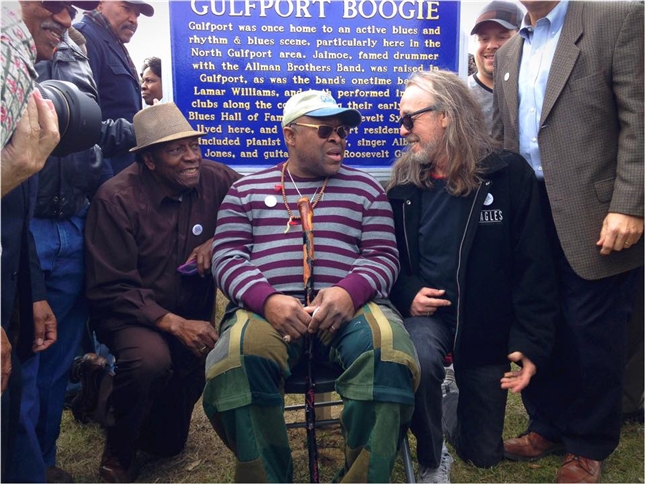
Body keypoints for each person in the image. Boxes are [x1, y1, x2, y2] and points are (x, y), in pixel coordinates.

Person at [203, 90, 420, 483]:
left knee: (389, 353)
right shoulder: (245, 191)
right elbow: (227, 257)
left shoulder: (367, 190)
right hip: (264, 313)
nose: (337, 138)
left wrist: (349, 292)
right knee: (235, 359)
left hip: (354, 310)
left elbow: (384, 256)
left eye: (342, 131)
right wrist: (267, 300)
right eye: (324, 130)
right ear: (290, 135)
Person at [492, 2, 644, 482]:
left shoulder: (618, 18)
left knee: (591, 329)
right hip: (527, 207)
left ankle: (588, 444)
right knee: (539, 316)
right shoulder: (511, 49)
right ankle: (547, 426)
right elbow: (503, 137)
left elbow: (639, 121)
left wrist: (631, 204)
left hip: (597, 210)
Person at [386, 70, 558, 482]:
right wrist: (407, 291)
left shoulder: (507, 175)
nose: (403, 129)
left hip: (486, 326)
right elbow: (386, 257)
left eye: (411, 119)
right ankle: (431, 455)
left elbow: (535, 265)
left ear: (445, 115)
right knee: (422, 360)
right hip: (428, 318)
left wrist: (530, 342)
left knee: (484, 455)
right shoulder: (403, 186)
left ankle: (451, 409)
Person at [81, 102, 240, 482]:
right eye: (176, 150)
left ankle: (102, 389)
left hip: (191, 312)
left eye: (194, 146)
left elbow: (262, 208)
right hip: (132, 314)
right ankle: (117, 452)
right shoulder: (115, 199)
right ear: (149, 160)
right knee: (150, 362)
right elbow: (111, 286)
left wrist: (220, 240)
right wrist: (173, 323)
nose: (191, 158)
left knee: (166, 445)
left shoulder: (217, 180)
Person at [29, 24, 138, 482]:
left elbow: (91, 130)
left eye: (67, 7)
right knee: (17, 358)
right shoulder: (8, 51)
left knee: (55, 362)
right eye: (51, 5)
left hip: (77, 223)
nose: (61, 15)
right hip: (21, 225)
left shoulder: (79, 49)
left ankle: (44, 459)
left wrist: (147, 131)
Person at [75, 0, 154, 175]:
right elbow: (80, 122)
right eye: (126, 8)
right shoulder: (85, 38)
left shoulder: (112, 43)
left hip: (121, 172)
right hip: (103, 176)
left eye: (137, 14)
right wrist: (105, 182)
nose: (133, 19)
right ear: (99, 3)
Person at [468, 0, 522, 131]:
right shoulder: (461, 96)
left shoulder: (532, 92)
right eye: (484, 39)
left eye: (502, 37)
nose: (491, 45)